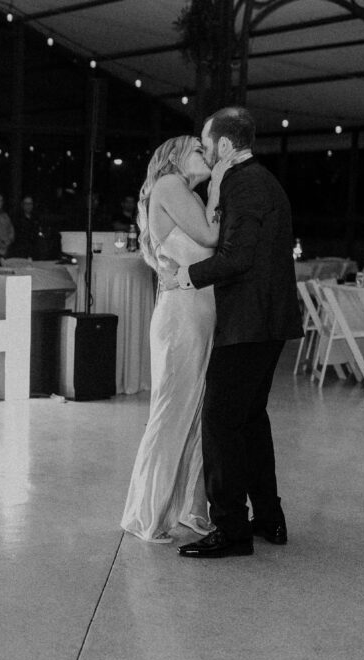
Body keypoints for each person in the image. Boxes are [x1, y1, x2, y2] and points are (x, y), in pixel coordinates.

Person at [159, 106, 303, 559]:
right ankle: (269, 518)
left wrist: (183, 278)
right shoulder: (261, 180)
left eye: (206, 143)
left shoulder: (245, 184)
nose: (203, 150)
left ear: (224, 145)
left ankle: (231, 530)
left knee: (220, 421)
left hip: (249, 322)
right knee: (250, 421)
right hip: (266, 320)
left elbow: (237, 257)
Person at [120, 135, 232, 543]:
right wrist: (219, 184)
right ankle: (147, 514)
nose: (208, 156)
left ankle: (190, 507)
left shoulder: (182, 191)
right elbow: (209, 238)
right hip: (183, 314)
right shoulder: (170, 185)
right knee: (172, 413)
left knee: (195, 413)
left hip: (198, 312)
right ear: (175, 156)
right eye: (200, 150)